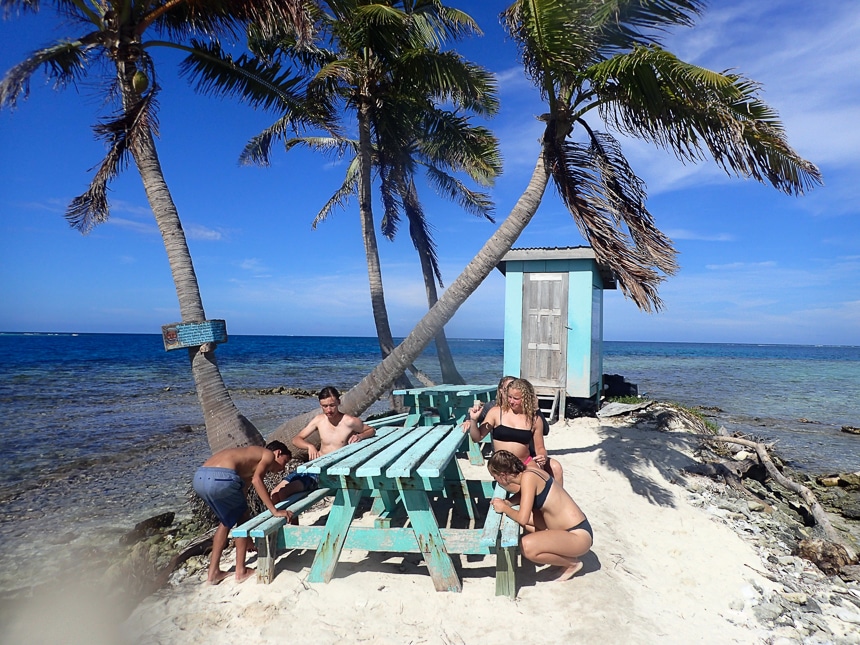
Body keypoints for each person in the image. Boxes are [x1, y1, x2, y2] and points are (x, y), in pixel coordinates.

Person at [193, 441, 293, 584]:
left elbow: (243, 500)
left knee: (226, 520)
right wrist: (275, 510)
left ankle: (213, 573)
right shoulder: (268, 454)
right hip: (221, 477)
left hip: (200, 478)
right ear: (278, 453)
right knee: (238, 518)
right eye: (285, 461)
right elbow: (257, 480)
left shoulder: (249, 461)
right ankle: (241, 571)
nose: (283, 468)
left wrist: (248, 539)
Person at [488, 450, 593, 581]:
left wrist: (504, 508)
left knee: (526, 547)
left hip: (577, 535)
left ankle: (572, 564)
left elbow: (522, 517)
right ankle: (564, 558)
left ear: (503, 475)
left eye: (495, 477)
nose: (496, 481)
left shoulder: (528, 478)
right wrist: (508, 502)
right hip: (571, 530)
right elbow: (524, 494)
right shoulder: (531, 472)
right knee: (526, 526)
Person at [271, 386, 376, 502]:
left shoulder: (349, 421)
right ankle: (283, 519)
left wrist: (360, 436)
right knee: (275, 493)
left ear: (339, 402)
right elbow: (296, 439)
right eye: (324, 406)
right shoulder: (319, 420)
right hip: (313, 465)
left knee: (284, 492)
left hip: (328, 471)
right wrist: (309, 446)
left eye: (332, 405)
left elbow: (371, 430)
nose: (328, 410)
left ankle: (292, 520)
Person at [467, 377, 563, 485]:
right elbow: (476, 438)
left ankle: (559, 500)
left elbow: (540, 447)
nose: (511, 401)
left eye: (516, 398)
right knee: (528, 485)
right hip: (502, 466)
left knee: (546, 484)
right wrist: (474, 420)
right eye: (509, 397)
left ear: (526, 398)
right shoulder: (496, 412)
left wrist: (542, 456)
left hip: (525, 462)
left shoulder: (535, 419)